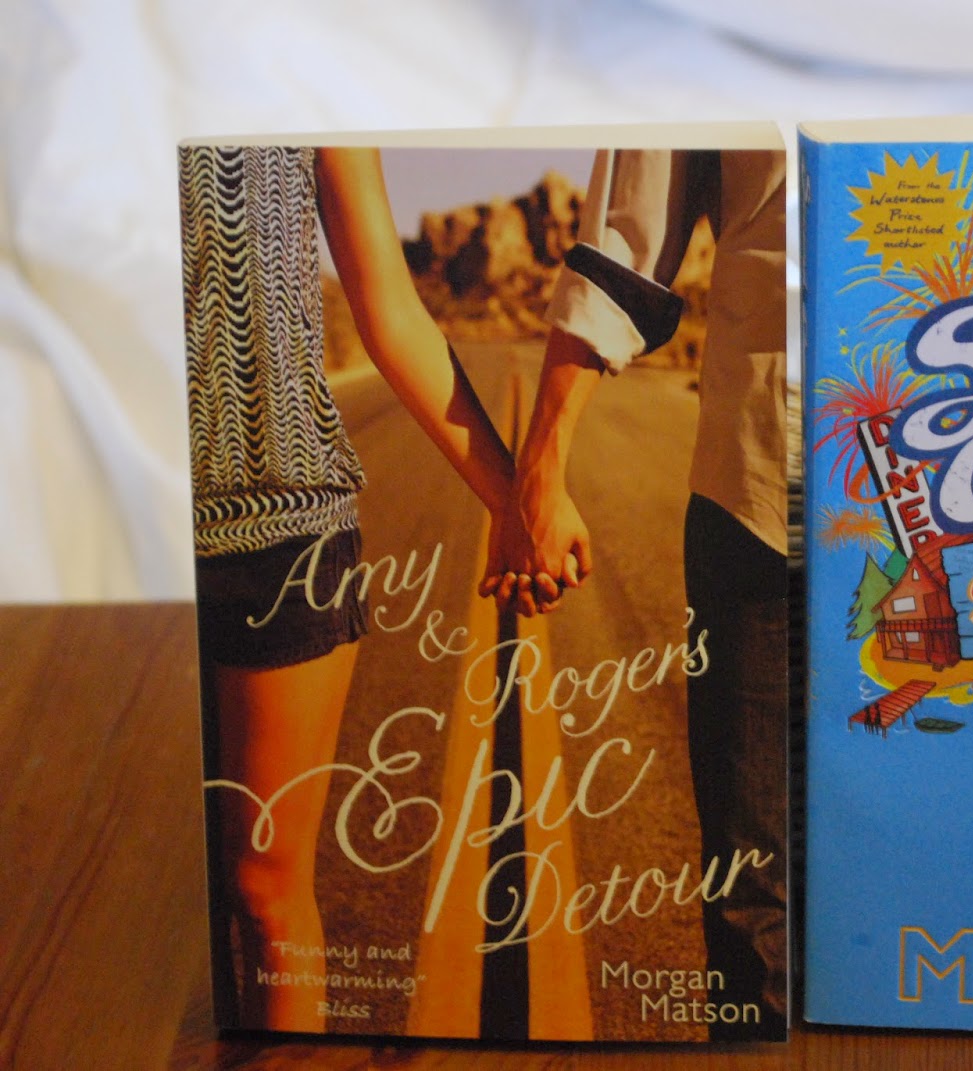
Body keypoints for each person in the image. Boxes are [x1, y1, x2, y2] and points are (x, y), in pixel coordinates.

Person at [184, 144, 526, 1031]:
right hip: (98, 524)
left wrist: (515, 500)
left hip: (278, 524)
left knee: (262, 892)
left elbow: (390, 307)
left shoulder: (313, 76)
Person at [505, 148, 789, 1039]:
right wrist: (541, 473)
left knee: (955, 884)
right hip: (762, 498)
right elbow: (628, 240)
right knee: (754, 906)